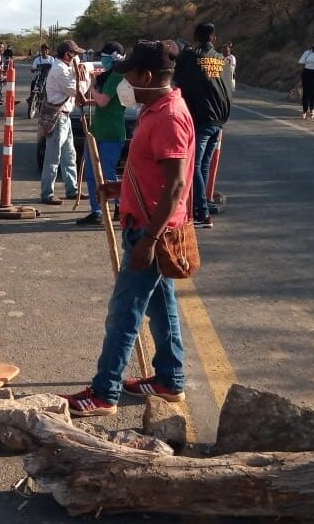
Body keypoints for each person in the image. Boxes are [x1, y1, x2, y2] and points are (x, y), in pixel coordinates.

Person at [60, 40, 195, 416]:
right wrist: (120, 188)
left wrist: (149, 240)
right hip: (147, 225)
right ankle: (170, 380)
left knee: (124, 312)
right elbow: (153, 174)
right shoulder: (155, 109)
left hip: (153, 231)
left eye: (130, 76)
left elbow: (176, 186)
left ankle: (104, 393)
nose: (125, 84)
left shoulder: (169, 117)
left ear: (146, 76)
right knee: (162, 308)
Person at [173, 22, 231, 228]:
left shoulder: (190, 57)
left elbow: (175, 80)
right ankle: (201, 205)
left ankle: (202, 213)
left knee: (194, 165)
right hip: (219, 121)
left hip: (200, 120)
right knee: (203, 165)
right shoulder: (222, 60)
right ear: (214, 39)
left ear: (195, 38)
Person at [77, 42, 127, 226]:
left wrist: (91, 87)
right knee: (92, 174)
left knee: (107, 173)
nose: (102, 60)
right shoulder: (109, 76)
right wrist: (87, 101)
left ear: (113, 58)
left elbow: (104, 101)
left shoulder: (117, 76)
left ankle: (119, 207)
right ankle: (97, 210)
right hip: (98, 131)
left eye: (104, 57)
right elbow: (104, 101)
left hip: (111, 133)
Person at [40, 40, 90, 205]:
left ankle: (72, 189)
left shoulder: (65, 67)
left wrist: (79, 69)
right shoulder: (60, 69)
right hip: (58, 116)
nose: (76, 57)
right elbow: (76, 91)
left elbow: (77, 70)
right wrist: (85, 78)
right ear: (68, 55)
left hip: (65, 116)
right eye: (74, 54)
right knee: (53, 157)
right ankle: (47, 193)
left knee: (69, 155)